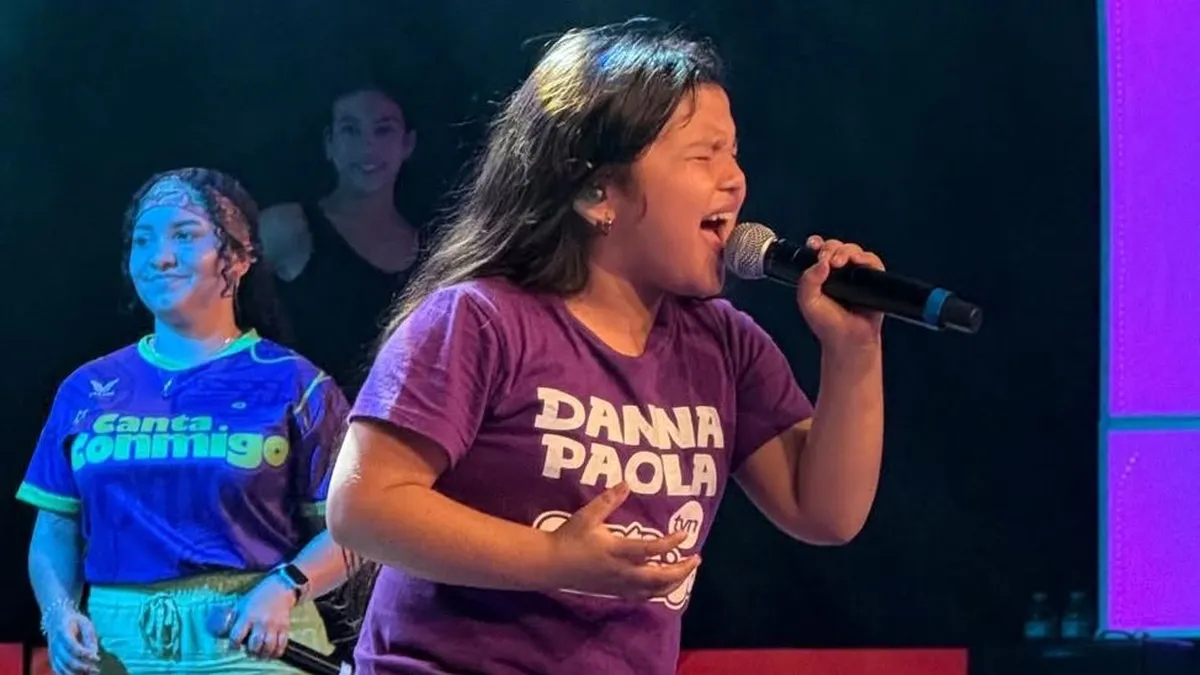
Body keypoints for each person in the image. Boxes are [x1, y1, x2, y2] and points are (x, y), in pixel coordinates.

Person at [326, 18, 886, 675]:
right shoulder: (482, 321)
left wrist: (853, 352)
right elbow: (363, 507)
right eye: (703, 155)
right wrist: (554, 559)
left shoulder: (725, 345)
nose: (735, 180)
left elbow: (825, 512)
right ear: (598, 192)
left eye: (734, 153)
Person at [19, 168, 359, 674]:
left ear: (240, 258)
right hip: (113, 650)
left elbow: (358, 530)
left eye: (185, 235)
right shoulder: (87, 388)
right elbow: (55, 527)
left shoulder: (295, 384)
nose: (158, 257)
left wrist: (286, 586)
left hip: (247, 644)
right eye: (143, 240)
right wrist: (58, 613)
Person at [261, 82, 421, 398]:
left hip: (392, 426)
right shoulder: (287, 227)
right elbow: (212, 311)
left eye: (383, 130)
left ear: (407, 144)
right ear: (329, 144)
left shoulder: (433, 250)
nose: (368, 146)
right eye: (350, 130)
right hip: (296, 422)